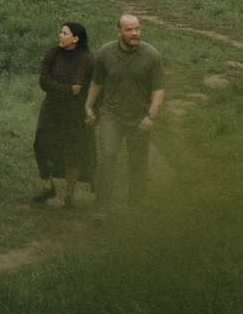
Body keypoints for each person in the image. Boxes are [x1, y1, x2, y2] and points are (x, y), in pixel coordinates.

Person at [85, 13, 167, 208]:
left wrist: (151, 116)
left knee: (138, 163)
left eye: (137, 29)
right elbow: (98, 82)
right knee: (108, 156)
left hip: (139, 118)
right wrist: (88, 106)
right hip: (111, 115)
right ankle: (101, 206)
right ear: (119, 32)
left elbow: (159, 89)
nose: (134, 33)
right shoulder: (106, 52)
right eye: (129, 30)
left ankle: (135, 207)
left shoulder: (151, 55)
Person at [32, 22, 97, 209]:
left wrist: (91, 111)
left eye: (64, 33)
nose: (60, 35)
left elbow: (95, 87)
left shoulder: (88, 60)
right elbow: (44, 81)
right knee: (42, 143)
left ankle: (69, 195)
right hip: (52, 108)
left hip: (75, 113)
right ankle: (49, 186)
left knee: (73, 152)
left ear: (75, 39)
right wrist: (67, 89)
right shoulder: (53, 54)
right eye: (60, 32)